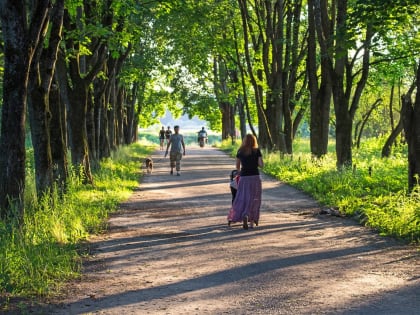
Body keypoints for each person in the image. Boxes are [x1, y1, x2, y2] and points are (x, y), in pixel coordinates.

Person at [227, 134, 263, 229]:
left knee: (243, 197)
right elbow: (261, 164)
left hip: (244, 177)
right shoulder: (257, 151)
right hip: (255, 177)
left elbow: (237, 167)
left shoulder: (240, 151)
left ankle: (244, 214)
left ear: (244, 141)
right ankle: (251, 221)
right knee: (254, 198)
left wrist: (239, 172)